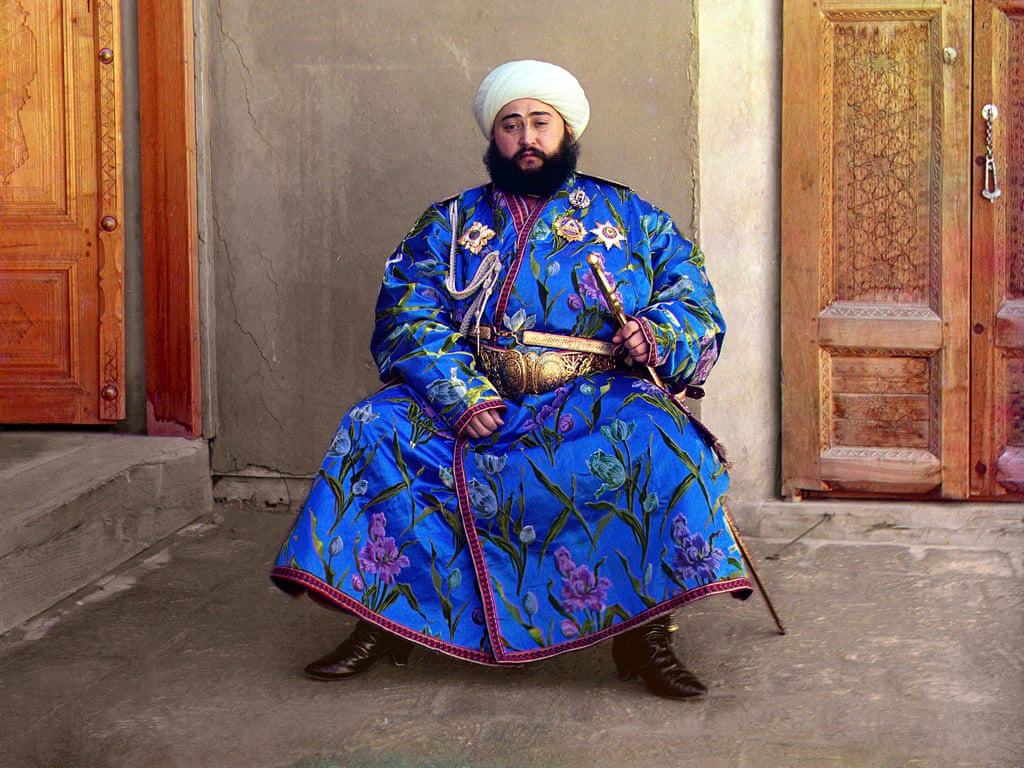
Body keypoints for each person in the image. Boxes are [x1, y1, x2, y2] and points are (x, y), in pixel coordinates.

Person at [271, 60, 752, 699]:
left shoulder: (631, 216)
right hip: (478, 393)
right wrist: (458, 393)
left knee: (661, 441)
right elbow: (404, 310)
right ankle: (381, 616)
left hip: (594, 397)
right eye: (511, 125)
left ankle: (645, 636)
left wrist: (656, 334)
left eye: (540, 123)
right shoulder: (449, 223)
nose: (527, 138)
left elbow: (695, 304)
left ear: (566, 132)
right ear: (493, 137)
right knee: (374, 426)